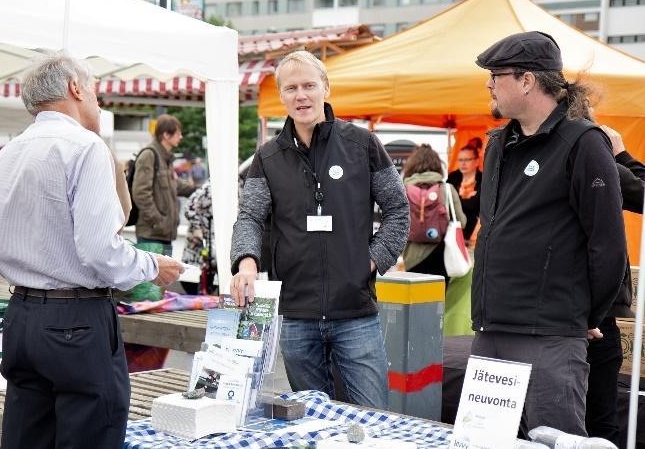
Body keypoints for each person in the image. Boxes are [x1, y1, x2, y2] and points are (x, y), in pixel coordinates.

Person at [0, 54, 184, 449]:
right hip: (76, 318)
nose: (97, 99)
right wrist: (150, 265)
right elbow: (99, 251)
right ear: (75, 88)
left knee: (26, 437)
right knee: (93, 433)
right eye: (92, 88)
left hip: (21, 314)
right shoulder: (84, 146)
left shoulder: (3, 156)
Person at [230, 50, 409, 410]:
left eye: (309, 85)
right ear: (281, 95)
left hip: (355, 312)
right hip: (296, 316)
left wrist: (369, 262)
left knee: (371, 419)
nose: (301, 96)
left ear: (325, 88)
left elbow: (398, 210)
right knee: (313, 422)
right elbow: (249, 216)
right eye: (291, 88)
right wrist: (246, 262)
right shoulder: (267, 157)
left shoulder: (363, 145)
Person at [471, 31, 626, 437]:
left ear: (527, 80)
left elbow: (607, 243)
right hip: (491, 327)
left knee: (554, 437)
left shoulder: (583, 143)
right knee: (484, 439)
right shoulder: (497, 144)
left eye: (496, 74)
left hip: (550, 332)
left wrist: (586, 315)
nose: (489, 83)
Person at [584, 123, 644, 446]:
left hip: (557, 311)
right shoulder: (597, 159)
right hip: (595, 316)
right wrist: (623, 155)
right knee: (600, 421)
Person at [132, 114, 194, 257]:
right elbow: (140, 193)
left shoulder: (165, 158)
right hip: (151, 234)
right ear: (166, 135)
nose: (181, 137)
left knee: (163, 279)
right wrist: (158, 221)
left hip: (162, 234)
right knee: (152, 279)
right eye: (178, 133)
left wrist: (196, 190)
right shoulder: (149, 155)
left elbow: (174, 185)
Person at [402, 144, 465, 283]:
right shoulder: (447, 189)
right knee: (437, 302)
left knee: (414, 301)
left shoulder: (403, 190)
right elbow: (461, 221)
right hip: (441, 256)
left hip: (412, 256)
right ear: (437, 165)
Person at [181, 180, 217, 294]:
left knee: (210, 272)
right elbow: (189, 208)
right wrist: (198, 228)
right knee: (201, 272)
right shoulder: (209, 188)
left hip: (211, 240)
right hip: (202, 239)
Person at [447, 144, 482, 242]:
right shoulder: (452, 177)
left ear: (476, 161)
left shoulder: (483, 179)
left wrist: (457, 199)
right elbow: (447, 202)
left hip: (474, 233)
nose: (463, 163)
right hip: (452, 231)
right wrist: (468, 199)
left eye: (467, 160)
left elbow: (474, 205)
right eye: (460, 160)